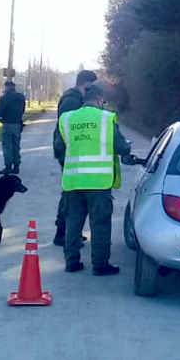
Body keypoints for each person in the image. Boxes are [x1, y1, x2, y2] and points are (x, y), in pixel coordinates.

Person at [53, 83, 132, 276]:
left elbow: (58, 147)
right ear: (99, 100)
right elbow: (122, 147)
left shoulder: (67, 118)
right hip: (98, 182)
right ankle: (100, 265)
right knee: (100, 224)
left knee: (73, 223)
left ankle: (71, 262)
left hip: (72, 182)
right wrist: (127, 146)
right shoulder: (105, 119)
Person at [52, 69, 98, 245]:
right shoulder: (72, 100)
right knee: (70, 193)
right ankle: (62, 232)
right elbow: (68, 127)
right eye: (91, 87)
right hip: (68, 150)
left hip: (70, 150)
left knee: (72, 191)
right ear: (85, 84)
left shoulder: (75, 98)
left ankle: (69, 232)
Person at [0, 81, 27, 175]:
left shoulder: (4, 98)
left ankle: (8, 166)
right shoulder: (21, 97)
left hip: (7, 124)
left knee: (7, 146)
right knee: (16, 146)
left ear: (6, 87)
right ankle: (16, 166)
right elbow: (23, 109)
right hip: (18, 124)